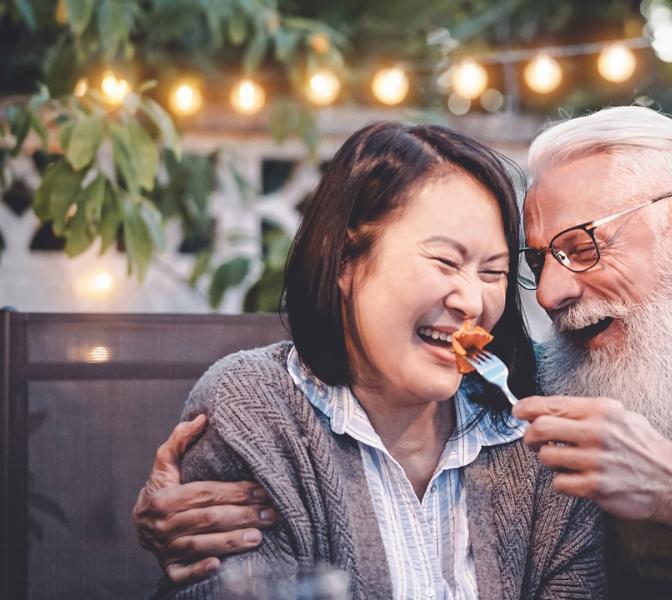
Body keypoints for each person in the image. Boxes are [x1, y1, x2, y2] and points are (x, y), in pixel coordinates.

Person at [135, 108, 672, 599]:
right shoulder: (531, 396)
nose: (546, 294)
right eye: (540, 261)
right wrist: (176, 538)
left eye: (582, 245)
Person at [138, 122, 605, 599]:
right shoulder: (255, 412)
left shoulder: (537, 441)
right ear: (345, 258)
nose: (472, 300)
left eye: (493, 272)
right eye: (445, 262)